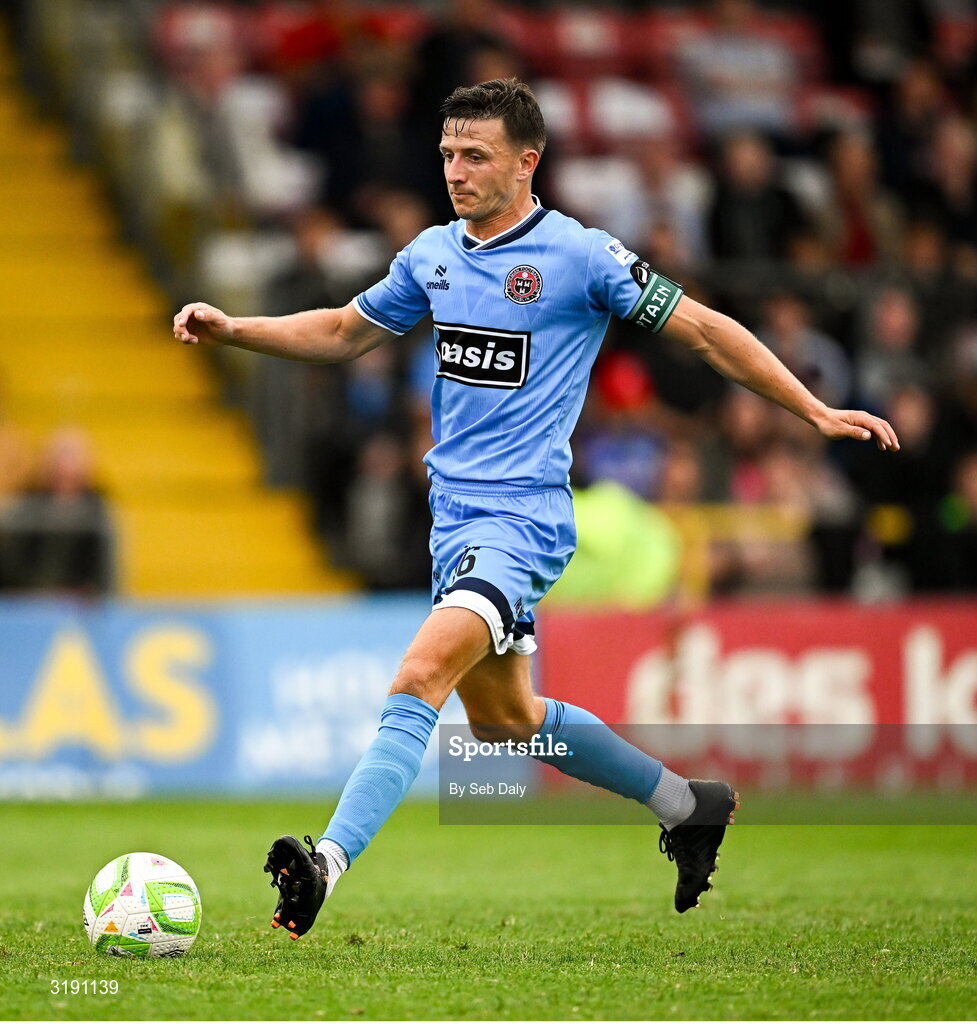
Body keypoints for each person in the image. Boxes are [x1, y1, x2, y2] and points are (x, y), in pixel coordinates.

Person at [173, 79, 899, 939]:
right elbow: (341, 331)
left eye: (474, 154)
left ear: (528, 161)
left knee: (416, 679)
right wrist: (236, 329)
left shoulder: (582, 258)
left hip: (519, 524)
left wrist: (810, 410)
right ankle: (685, 804)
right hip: (455, 523)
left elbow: (704, 332)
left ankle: (324, 865)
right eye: (446, 153)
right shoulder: (432, 256)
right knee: (507, 720)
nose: (454, 170)